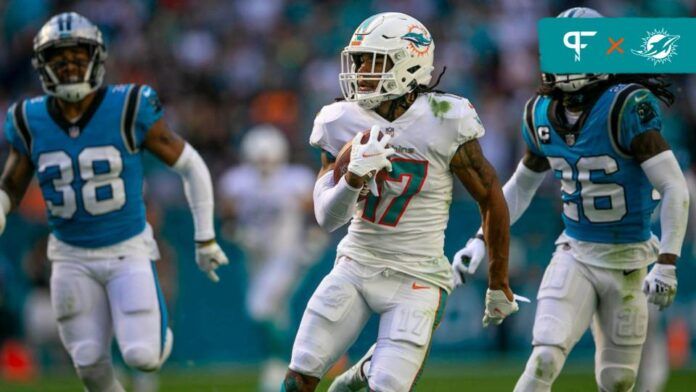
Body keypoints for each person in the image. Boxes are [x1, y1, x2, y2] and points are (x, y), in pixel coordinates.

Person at [451, 7, 689, 392]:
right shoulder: (540, 112)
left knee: (618, 380)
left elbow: (675, 186)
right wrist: (480, 240)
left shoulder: (626, 106)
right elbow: (520, 187)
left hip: (629, 259)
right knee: (544, 357)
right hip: (575, 253)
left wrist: (666, 263)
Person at [283, 12, 522, 392]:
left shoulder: (445, 117)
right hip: (356, 264)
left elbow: (491, 197)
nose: (360, 72)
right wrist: (353, 179)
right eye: (358, 61)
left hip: (418, 275)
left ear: (408, 63)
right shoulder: (339, 120)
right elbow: (327, 218)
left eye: (372, 61)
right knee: (299, 377)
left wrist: (498, 281)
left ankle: (365, 372)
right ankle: (364, 368)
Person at [0, 13, 230, 391]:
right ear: (43, 66)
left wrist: (205, 237)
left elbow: (191, 165)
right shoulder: (28, 118)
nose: (70, 65)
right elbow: (11, 182)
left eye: (78, 56)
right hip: (69, 255)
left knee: (144, 357)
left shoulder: (129, 106)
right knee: (88, 364)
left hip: (126, 249)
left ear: (97, 58)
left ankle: (155, 334)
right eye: (60, 58)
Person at [218, 124, 327, 392]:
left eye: (269, 159)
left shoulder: (295, 179)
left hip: (286, 254)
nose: (265, 165)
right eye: (259, 160)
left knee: (260, 307)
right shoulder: (237, 180)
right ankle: (289, 366)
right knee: (277, 315)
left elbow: (314, 211)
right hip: (254, 257)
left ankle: (277, 363)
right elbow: (227, 214)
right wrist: (236, 232)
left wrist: (313, 237)